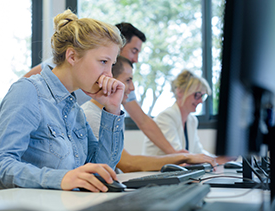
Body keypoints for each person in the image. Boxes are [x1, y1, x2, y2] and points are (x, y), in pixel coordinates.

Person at [0, 9, 126, 193]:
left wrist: (112, 109)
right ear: (72, 56)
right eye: (103, 62)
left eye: (111, 65)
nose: (109, 75)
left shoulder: (74, 109)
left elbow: (101, 172)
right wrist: (61, 178)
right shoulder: (28, 91)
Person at [24, 22, 187, 155]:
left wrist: (174, 153)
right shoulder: (65, 64)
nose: (136, 59)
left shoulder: (118, 81)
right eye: (134, 50)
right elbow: (26, 88)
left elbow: (143, 120)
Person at [82, 56, 216, 173]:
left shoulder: (110, 114)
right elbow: (127, 164)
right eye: (128, 80)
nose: (133, 87)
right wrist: (183, 157)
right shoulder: (92, 115)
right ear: (109, 79)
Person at [143, 70, 215, 158]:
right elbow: (178, 154)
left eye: (203, 96)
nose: (200, 101)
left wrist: (218, 159)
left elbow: (198, 151)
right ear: (180, 91)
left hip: (177, 170)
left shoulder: (192, 120)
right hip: (156, 170)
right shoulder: (166, 117)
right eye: (197, 95)